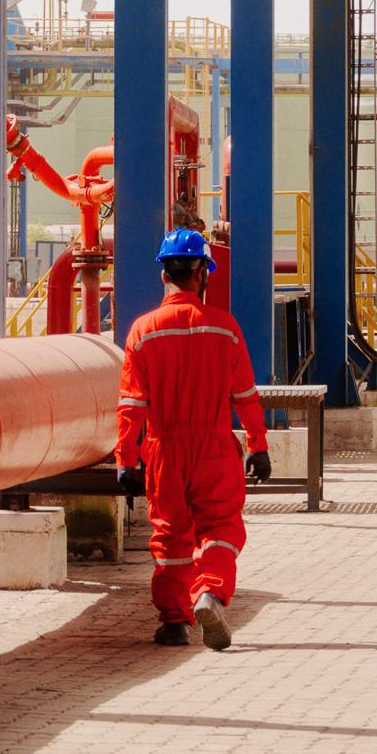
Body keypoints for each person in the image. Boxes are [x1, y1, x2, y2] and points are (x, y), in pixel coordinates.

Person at [113, 228, 270, 651]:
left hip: (164, 449)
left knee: (170, 538)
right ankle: (210, 593)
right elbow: (246, 397)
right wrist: (258, 445)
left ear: (165, 274)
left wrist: (125, 458)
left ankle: (175, 622)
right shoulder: (225, 329)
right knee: (220, 528)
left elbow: (131, 404)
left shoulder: (143, 331)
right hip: (214, 448)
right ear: (203, 274)